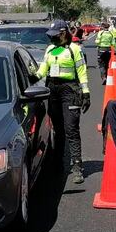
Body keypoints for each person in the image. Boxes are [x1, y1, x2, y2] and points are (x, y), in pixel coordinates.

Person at [35, 20, 90, 184]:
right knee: (57, 130)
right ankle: (58, 164)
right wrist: (33, 76)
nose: (52, 40)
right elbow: (42, 70)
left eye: (55, 36)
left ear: (64, 33)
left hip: (70, 90)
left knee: (71, 129)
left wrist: (86, 93)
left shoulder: (75, 50)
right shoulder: (50, 50)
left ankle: (77, 167)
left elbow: (81, 71)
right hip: (53, 90)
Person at [94, 20, 116, 84]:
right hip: (108, 50)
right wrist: (114, 50)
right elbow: (113, 43)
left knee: (101, 64)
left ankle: (103, 77)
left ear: (103, 27)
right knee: (107, 64)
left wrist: (96, 41)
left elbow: (97, 41)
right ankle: (107, 76)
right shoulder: (111, 33)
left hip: (101, 50)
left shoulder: (100, 33)